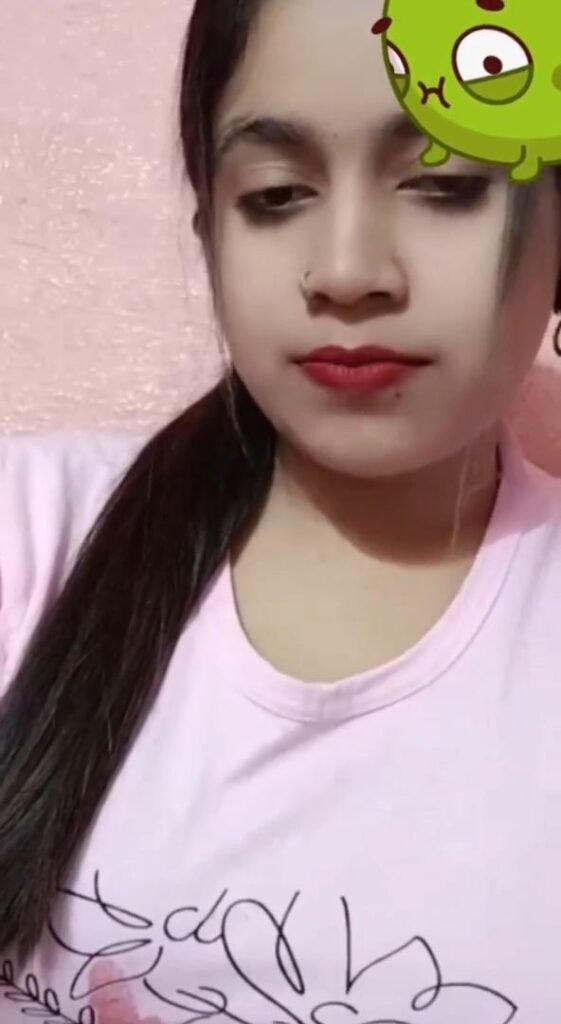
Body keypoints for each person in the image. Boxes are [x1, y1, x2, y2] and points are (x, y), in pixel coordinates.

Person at [1, 0, 561, 1019]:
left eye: (442, 183)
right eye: (274, 194)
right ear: (209, 230)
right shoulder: (29, 532)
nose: (345, 271)